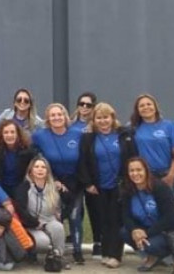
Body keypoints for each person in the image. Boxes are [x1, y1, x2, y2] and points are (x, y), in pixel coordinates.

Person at [77, 102, 137, 268]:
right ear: (94, 120)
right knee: (102, 221)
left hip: (119, 185)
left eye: (106, 117)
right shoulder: (88, 138)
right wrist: (88, 183)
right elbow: (82, 162)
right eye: (99, 118)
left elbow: (133, 158)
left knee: (116, 220)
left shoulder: (123, 135)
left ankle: (116, 255)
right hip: (97, 186)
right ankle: (106, 252)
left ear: (112, 118)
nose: (103, 121)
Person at [32, 103, 85, 264]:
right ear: (48, 118)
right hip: (53, 182)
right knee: (57, 217)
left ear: (65, 116)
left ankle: (78, 251)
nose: (56, 118)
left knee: (76, 217)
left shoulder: (77, 134)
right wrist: (53, 180)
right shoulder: (40, 135)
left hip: (75, 182)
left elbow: (84, 160)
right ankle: (56, 252)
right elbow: (36, 158)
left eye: (59, 114)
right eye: (53, 115)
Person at [121, 157, 174, 274]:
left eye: (139, 170)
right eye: (131, 171)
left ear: (146, 171)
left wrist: (146, 233)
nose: (135, 174)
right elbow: (125, 215)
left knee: (152, 245)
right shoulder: (127, 189)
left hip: (170, 230)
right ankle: (153, 257)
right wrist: (134, 230)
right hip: (147, 228)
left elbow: (170, 217)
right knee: (124, 232)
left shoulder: (160, 187)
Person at [13, 156, 69, 268]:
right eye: (37, 167)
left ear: (47, 171)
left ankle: (58, 257)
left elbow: (67, 205)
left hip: (49, 220)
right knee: (43, 242)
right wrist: (35, 223)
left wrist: (63, 191)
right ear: (31, 171)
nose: (40, 169)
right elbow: (21, 211)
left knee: (58, 227)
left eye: (43, 167)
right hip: (32, 224)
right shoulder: (24, 188)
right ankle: (32, 253)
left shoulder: (54, 188)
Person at [69, 92, 101, 258]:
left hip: (90, 174)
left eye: (88, 105)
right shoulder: (70, 124)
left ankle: (98, 242)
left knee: (94, 209)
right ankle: (74, 239)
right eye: (82, 104)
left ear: (93, 107)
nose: (84, 107)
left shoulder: (96, 126)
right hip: (73, 174)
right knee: (75, 210)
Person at [131, 94, 174, 185]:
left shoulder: (169, 126)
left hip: (166, 174)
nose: (146, 107)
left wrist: (171, 175)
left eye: (149, 104)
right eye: (141, 106)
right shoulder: (133, 128)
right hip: (144, 176)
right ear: (137, 110)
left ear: (155, 107)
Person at [0, 119, 37, 196]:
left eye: (12, 132)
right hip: (1, 188)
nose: (9, 135)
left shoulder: (28, 152)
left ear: (18, 134)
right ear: (1, 135)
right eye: (6, 132)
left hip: (22, 189)